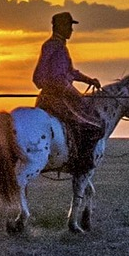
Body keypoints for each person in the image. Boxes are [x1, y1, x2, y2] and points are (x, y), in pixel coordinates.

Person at [33, 11, 105, 172]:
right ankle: (81, 163)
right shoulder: (56, 47)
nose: (71, 30)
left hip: (52, 96)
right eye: (68, 26)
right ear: (59, 26)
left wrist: (89, 80)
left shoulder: (57, 46)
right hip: (58, 98)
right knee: (93, 126)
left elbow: (70, 72)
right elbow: (59, 79)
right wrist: (77, 96)